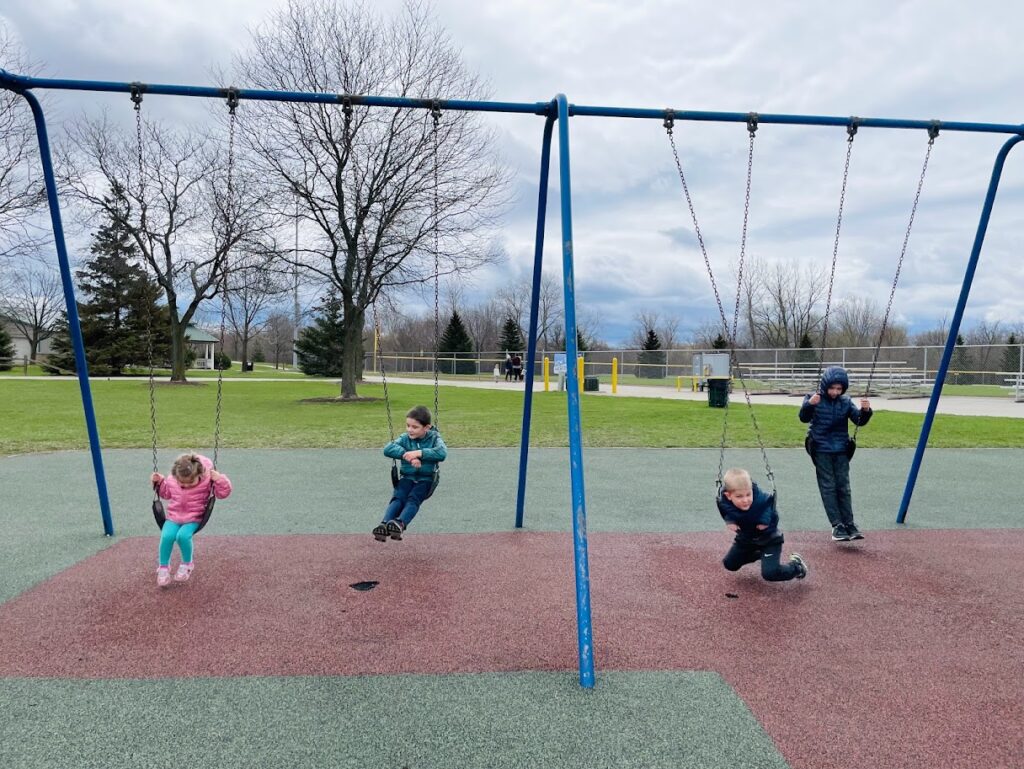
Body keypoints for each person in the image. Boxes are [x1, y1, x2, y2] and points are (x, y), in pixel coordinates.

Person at [799, 365, 872, 542]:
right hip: (821, 448)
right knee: (829, 486)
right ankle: (837, 525)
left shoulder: (845, 402)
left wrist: (865, 411)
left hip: (840, 449)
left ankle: (849, 524)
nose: (835, 392)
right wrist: (810, 405)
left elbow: (859, 421)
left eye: (839, 389)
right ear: (825, 386)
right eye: (832, 388)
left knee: (843, 487)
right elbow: (803, 417)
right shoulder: (813, 398)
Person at [150, 453, 232, 587]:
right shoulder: (172, 479)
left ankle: (187, 564)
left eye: (190, 483)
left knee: (183, 536)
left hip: (194, 517)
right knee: (167, 536)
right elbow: (166, 494)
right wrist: (159, 482)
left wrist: (219, 479)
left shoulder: (207, 480)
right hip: (174, 516)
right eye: (181, 482)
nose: (185, 485)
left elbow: (223, 493)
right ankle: (163, 567)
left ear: (199, 475)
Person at [717, 467, 807, 582]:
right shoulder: (724, 501)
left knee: (770, 574)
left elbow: (770, 508)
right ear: (729, 496)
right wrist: (729, 521)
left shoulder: (761, 499)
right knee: (730, 564)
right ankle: (760, 554)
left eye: (748, 494)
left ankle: (797, 567)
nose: (745, 500)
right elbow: (726, 509)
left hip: (769, 539)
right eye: (739, 496)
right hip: (746, 538)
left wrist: (764, 521)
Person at [373, 405, 447, 542]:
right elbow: (388, 449)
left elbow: (442, 453)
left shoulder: (434, 438)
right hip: (407, 477)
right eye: (408, 425)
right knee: (398, 498)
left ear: (426, 427)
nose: (409, 430)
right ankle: (384, 524)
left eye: (414, 427)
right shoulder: (405, 438)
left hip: (426, 480)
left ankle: (400, 523)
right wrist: (409, 456)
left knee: (413, 499)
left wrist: (419, 453)